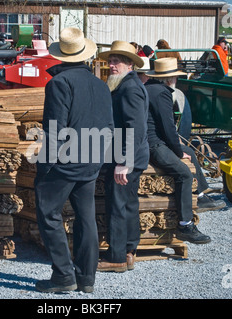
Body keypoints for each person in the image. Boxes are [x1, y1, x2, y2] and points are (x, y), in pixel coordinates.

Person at [34, 27, 114, 293]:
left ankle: (63, 277)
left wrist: (44, 167)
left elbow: (54, 129)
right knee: (85, 217)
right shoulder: (101, 85)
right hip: (92, 160)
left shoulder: (58, 83)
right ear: (84, 55)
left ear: (60, 57)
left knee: (48, 213)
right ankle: (86, 279)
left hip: (66, 162)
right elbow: (110, 127)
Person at [144, 58, 226, 244]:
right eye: (175, 76)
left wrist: (181, 149)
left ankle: (201, 195)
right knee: (184, 174)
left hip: (153, 141)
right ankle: (185, 225)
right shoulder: (162, 93)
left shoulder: (151, 88)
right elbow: (168, 127)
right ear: (170, 78)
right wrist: (178, 153)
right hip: (154, 144)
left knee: (188, 148)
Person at [96, 40, 149, 272]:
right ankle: (129, 250)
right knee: (128, 204)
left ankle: (116, 257)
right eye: (110, 60)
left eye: (116, 61)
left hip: (127, 158)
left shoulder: (130, 88)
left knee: (118, 205)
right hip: (129, 156)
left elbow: (134, 127)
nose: (111, 64)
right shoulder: (126, 85)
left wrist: (123, 162)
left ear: (130, 64)